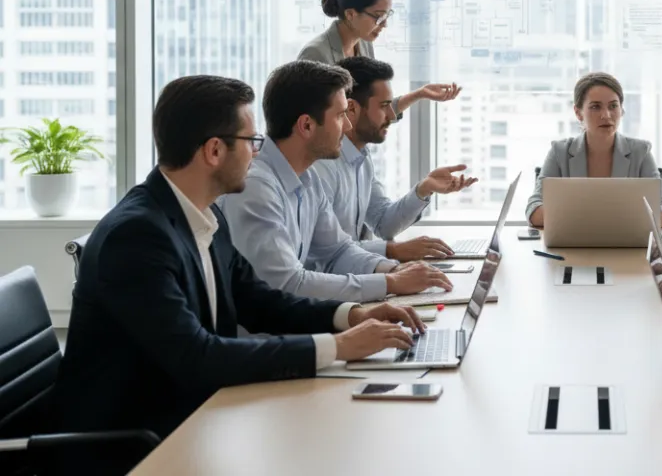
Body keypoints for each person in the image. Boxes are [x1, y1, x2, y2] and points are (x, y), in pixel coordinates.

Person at [53, 76, 425, 476]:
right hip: (135, 446)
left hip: (196, 417)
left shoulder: (205, 212)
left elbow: (259, 299)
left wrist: (351, 315)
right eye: (251, 142)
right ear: (214, 150)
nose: (258, 153)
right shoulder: (138, 236)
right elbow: (197, 356)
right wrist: (337, 348)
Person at [221, 60, 453, 301]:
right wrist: (389, 282)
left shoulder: (307, 177)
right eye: (341, 115)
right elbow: (286, 283)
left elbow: (337, 251)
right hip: (270, 334)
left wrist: (394, 270)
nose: (349, 125)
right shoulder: (256, 188)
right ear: (307, 125)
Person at [312, 56, 478, 261]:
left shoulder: (361, 159)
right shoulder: (322, 166)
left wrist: (423, 189)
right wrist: (394, 252)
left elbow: (384, 224)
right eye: (384, 106)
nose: (392, 116)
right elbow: (326, 253)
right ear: (352, 109)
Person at [297, 0, 462, 117]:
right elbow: (309, 125)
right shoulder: (315, 54)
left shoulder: (364, 44)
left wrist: (420, 94)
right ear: (350, 14)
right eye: (378, 16)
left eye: (387, 15)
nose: (384, 24)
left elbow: (375, 112)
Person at [526, 72, 662, 228]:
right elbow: (533, 209)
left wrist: (579, 216)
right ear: (578, 113)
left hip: (626, 245)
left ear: (621, 110)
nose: (606, 115)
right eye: (595, 107)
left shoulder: (641, 152)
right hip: (571, 246)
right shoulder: (559, 152)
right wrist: (599, 219)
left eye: (613, 106)